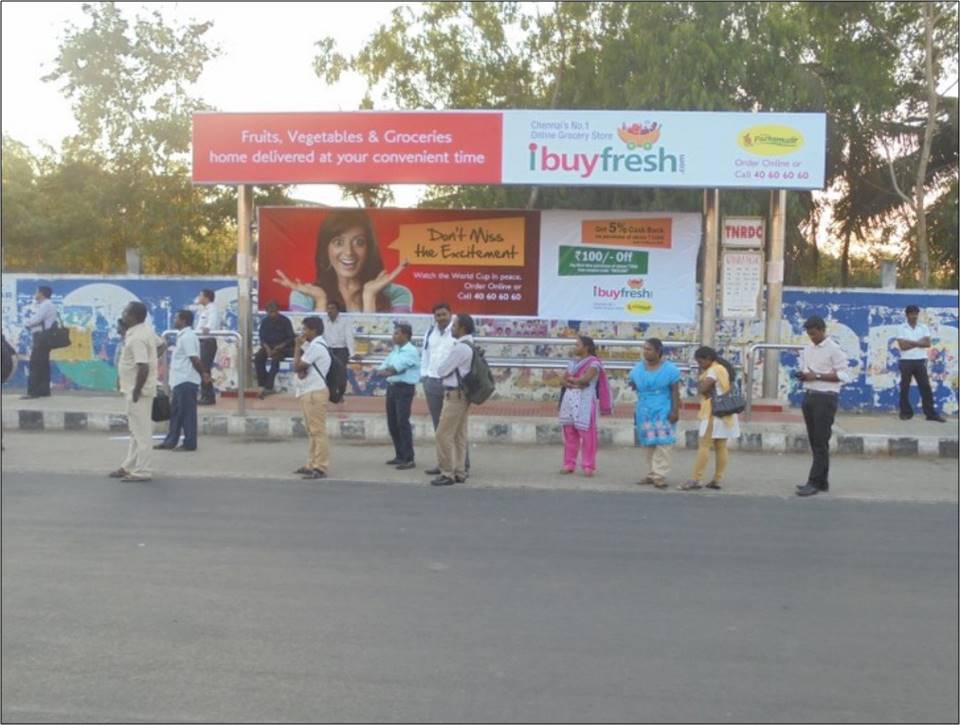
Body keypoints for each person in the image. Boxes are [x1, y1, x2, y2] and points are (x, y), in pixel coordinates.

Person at [273, 209, 412, 313]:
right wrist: (321, 301)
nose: (349, 252)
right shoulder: (305, 296)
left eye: (359, 242)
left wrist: (369, 297)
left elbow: (388, 344)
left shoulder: (398, 294)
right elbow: (308, 344)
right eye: (338, 242)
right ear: (325, 250)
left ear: (369, 248)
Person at [795, 316, 851, 497]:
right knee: (815, 441)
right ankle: (822, 481)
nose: (812, 337)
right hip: (810, 395)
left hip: (825, 398)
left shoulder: (834, 349)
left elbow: (844, 375)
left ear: (822, 330)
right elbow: (808, 371)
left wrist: (817, 376)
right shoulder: (808, 349)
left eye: (813, 334)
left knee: (820, 441)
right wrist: (804, 375)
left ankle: (813, 481)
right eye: (809, 334)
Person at [109, 302, 161, 483]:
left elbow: (143, 367)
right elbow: (160, 345)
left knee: (142, 433)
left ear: (133, 316)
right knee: (135, 431)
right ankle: (128, 466)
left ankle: (143, 470)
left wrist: (136, 391)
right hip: (134, 388)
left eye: (125, 312)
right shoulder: (145, 330)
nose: (123, 315)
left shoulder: (137, 338)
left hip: (137, 391)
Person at [420, 302, 470, 476]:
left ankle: (462, 465)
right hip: (432, 382)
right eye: (438, 315)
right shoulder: (429, 333)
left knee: (454, 429)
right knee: (439, 427)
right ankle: (443, 462)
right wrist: (424, 375)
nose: (441, 318)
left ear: (450, 314)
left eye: (444, 314)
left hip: (453, 384)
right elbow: (425, 355)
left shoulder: (457, 334)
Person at [680, 346, 740, 492]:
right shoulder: (722, 369)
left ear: (708, 359)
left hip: (714, 413)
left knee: (704, 445)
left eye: (700, 362)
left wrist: (701, 383)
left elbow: (703, 388)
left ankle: (696, 479)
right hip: (725, 412)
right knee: (721, 446)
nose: (699, 365)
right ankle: (717, 479)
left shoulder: (713, 370)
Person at [430, 313, 477, 486]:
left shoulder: (460, 348)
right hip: (463, 394)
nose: (453, 328)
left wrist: (443, 365)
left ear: (463, 327)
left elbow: (442, 370)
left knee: (443, 434)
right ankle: (459, 471)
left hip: (454, 394)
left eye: (455, 325)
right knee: (459, 435)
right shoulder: (470, 345)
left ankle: (447, 472)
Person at [627, 338, 681, 489]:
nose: (646, 352)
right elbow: (633, 385)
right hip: (644, 409)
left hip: (663, 408)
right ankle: (651, 473)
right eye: (644, 349)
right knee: (648, 442)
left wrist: (675, 410)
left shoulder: (670, 370)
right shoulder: (638, 369)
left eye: (649, 349)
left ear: (658, 352)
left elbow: (675, 391)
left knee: (664, 442)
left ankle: (660, 475)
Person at [558, 335, 612, 477]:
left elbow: (585, 380)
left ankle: (588, 465)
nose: (575, 347)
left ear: (586, 347)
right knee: (569, 433)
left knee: (587, 435)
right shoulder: (573, 362)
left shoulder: (594, 363)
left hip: (585, 401)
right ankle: (569, 464)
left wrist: (572, 381)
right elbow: (563, 381)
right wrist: (573, 382)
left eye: (577, 345)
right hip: (569, 400)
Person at [155, 309, 208, 452]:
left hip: (186, 380)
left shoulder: (188, 337)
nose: (174, 320)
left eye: (176, 318)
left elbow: (194, 359)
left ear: (183, 320)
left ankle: (190, 443)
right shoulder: (183, 336)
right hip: (179, 380)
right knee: (176, 413)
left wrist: (204, 373)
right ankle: (171, 440)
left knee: (187, 414)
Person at [375, 322, 421, 470]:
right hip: (393, 388)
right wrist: (387, 371)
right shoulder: (395, 350)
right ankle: (400, 455)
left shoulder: (411, 351)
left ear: (406, 335)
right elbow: (382, 368)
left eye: (397, 333)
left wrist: (388, 371)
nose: (393, 336)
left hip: (404, 388)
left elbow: (395, 370)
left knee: (402, 422)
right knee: (392, 423)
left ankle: (409, 458)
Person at [293, 316, 332, 480]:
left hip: (314, 393)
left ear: (313, 330)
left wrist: (296, 347)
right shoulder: (314, 346)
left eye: (305, 329)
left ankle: (320, 466)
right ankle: (311, 463)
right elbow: (302, 369)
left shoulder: (316, 347)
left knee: (318, 431)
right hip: (308, 391)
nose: (303, 333)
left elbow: (298, 366)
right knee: (312, 431)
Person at [896, 305, 946, 422]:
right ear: (907, 315)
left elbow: (927, 344)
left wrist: (909, 342)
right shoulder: (901, 328)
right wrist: (918, 342)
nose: (914, 316)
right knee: (904, 388)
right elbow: (902, 347)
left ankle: (931, 414)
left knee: (925, 388)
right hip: (906, 361)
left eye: (915, 314)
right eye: (911, 314)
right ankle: (905, 413)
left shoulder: (923, 327)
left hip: (920, 361)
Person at [22, 285, 58, 399]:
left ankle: (33, 392)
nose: (35, 294)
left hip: (41, 338)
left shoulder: (45, 305)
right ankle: (43, 390)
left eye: (36, 292)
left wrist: (27, 323)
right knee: (43, 364)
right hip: (45, 338)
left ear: (41, 294)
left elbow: (37, 319)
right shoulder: (49, 305)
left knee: (35, 364)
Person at [255, 300, 295, 398]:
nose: (272, 314)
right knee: (258, 358)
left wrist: (279, 347)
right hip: (268, 346)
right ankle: (263, 383)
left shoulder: (285, 321)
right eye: (269, 312)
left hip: (283, 347)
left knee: (275, 360)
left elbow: (290, 338)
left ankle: (269, 387)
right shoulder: (265, 321)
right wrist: (267, 349)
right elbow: (262, 338)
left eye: (273, 312)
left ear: (278, 311)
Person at [194, 288, 220, 405]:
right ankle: (206, 394)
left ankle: (209, 396)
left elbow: (211, 326)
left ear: (207, 297)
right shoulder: (204, 310)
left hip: (208, 342)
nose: (199, 297)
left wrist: (207, 328)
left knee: (204, 369)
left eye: (201, 295)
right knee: (203, 369)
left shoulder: (212, 309)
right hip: (201, 342)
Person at [322, 300, 357, 367]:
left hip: (341, 350)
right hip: (327, 350)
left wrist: (352, 354)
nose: (330, 311)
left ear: (338, 310)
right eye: (328, 308)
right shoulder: (323, 321)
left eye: (332, 308)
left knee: (340, 372)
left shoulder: (345, 321)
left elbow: (349, 337)